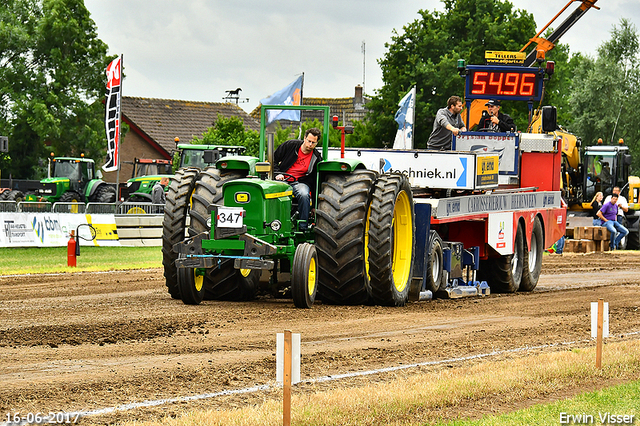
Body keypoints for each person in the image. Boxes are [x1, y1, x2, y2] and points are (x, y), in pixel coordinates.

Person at [273, 128, 323, 231]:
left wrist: (314, 205)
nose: (310, 144)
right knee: (272, 193)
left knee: (304, 194)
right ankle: (273, 224)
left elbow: (315, 182)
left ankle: (302, 228)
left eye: (313, 143)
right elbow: (273, 159)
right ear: (304, 138)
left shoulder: (316, 158)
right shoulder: (290, 146)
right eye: (308, 141)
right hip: (282, 179)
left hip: (299, 182)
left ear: (317, 143)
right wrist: (277, 174)